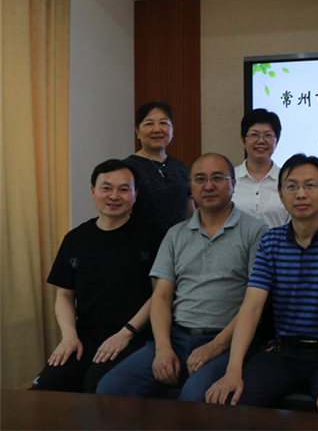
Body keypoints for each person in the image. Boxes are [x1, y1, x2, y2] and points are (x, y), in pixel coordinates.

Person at [96, 153, 268, 401]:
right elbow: (161, 297)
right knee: (110, 388)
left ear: (233, 184)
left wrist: (216, 346)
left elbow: (254, 305)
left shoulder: (256, 232)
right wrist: (163, 348)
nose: (209, 186)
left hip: (227, 342)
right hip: (175, 338)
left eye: (218, 178)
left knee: (194, 398)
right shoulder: (176, 234)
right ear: (190, 186)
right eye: (200, 179)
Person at [205, 154, 318, 415]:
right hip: (284, 353)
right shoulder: (271, 242)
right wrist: (232, 372)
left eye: (310, 185)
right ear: (280, 195)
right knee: (229, 403)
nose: (301, 194)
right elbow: (251, 308)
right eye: (291, 186)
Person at [33, 160, 164, 393]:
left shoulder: (154, 237)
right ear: (93, 191)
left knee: (95, 386)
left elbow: (160, 295)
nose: (114, 196)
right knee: (48, 385)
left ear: (135, 195)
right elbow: (64, 295)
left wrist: (126, 333)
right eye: (106, 188)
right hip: (86, 336)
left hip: (136, 336)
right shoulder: (75, 239)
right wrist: (69, 336)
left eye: (124, 189)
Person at [125, 102, 193, 232]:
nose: (157, 129)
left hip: (181, 241)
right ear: (137, 132)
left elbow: (189, 212)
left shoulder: (180, 166)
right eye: (149, 124)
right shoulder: (127, 168)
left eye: (163, 123)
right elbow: (124, 215)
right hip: (143, 241)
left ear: (172, 130)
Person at [232, 109, 289, 228]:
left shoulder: (287, 181)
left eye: (268, 135)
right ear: (243, 140)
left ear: (276, 141)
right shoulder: (230, 179)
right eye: (254, 135)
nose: (261, 141)